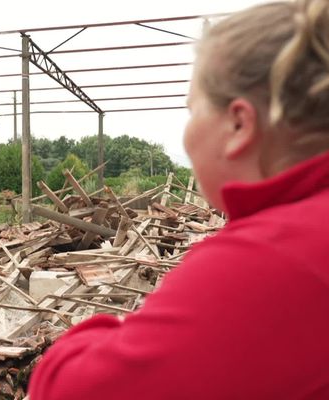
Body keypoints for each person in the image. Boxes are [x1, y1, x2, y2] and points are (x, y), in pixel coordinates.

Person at [28, 1, 329, 398]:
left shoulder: (269, 258)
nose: (188, 133)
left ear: (239, 124)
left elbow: (73, 390)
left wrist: (97, 335)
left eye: (192, 109)